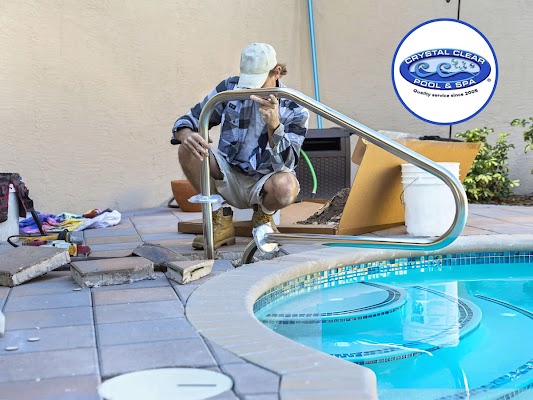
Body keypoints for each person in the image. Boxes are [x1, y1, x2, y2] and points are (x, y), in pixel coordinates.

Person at [172, 43, 309, 250]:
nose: (252, 90)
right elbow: (190, 119)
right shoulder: (230, 89)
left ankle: (264, 218)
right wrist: (185, 134)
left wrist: (274, 125)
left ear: (276, 72)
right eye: (249, 82)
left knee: (286, 187)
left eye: (259, 82)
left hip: (265, 180)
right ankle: (219, 218)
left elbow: (286, 163)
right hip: (228, 173)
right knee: (187, 149)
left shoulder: (295, 107)